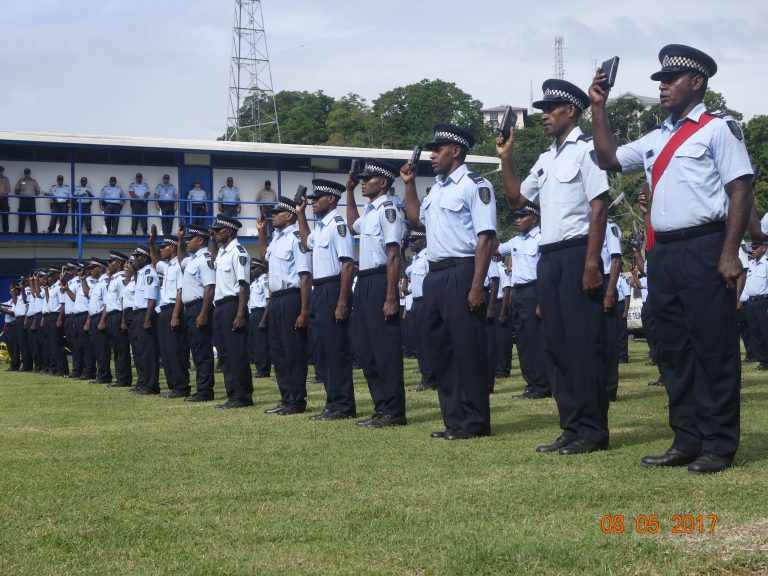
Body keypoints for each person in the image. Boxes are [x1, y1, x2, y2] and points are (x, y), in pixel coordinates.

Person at [589, 44, 761, 473]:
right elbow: (609, 158)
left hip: (706, 246)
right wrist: (598, 107)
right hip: (663, 252)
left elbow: (740, 189)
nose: (662, 87)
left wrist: (729, 254)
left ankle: (719, 444)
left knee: (713, 347)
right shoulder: (656, 137)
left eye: (670, 80)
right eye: (660, 81)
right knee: (673, 349)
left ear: (696, 83)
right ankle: (687, 438)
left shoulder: (719, 128)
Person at [498, 81, 610, 455]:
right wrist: (506, 158)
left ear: (571, 111)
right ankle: (571, 425)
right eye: (542, 108)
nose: (544, 114)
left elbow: (599, 205)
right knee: (557, 346)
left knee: (582, 344)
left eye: (551, 108)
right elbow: (517, 200)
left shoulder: (587, 149)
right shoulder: (547, 157)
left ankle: (593, 431)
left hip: (579, 252)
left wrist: (592, 262)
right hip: (549, 257)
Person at [402, 124, 496, 440]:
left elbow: (485, 237)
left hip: (462, 270)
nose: (432, 155)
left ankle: (475, 421)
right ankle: (453, 420)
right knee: (440, 349)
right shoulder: (438, 189)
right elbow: (417, 220)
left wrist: (476, 285)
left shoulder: (474, 185)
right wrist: (410, 184)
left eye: (437, 149)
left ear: (455, 151)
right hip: (435, 275)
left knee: (467, 349)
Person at [347, 159, 406, 428]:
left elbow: (394, 255)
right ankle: (381, 407)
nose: (362, 181)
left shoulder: (389, 210)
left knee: (385, 350)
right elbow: (352, 226)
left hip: (383, 279)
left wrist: (391, 296)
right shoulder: (370, 211)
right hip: (365, 281)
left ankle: (394, 411)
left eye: (367, 178)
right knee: (366, 348)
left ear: (382, 182)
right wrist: (348, 193)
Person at [296, 179, 357, 420]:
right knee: (322, 350)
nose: (311, 202)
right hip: (320, 289)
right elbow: (306, 242)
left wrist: (342, 301)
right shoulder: (321, 227)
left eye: (316, 199)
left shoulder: (337, 225)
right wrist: (300, 215)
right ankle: (332, 402)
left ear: (330, 199)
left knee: (336, 350)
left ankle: (343, 405)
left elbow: (348, 264)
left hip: (334, 287)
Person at [257, 197, 311, 415]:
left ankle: (297, 400)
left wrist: (304, 311)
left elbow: (305, 276)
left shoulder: (296, 238)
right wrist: (261, 232)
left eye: (276, 213)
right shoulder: (277, 238)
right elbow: (264, 256)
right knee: (278, 351)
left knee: (293, 351)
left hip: (291, 297)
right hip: (277, 299)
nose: (272, 216)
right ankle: (286, 397)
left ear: (289, 215)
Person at [498, 204, 551, 399]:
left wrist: (542, 301)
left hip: (534, 291)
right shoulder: (515, 240)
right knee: (523, 342)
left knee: (536, 340)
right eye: (516, 217)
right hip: (518, 293)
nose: (517, 220)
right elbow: (495, 249)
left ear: (534, 218)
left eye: (522, 216)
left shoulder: (541, 239)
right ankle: (531, 384)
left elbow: (546, 271)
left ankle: (543, 385)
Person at [210, 213, 253, 408]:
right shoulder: (222, 252)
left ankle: (243, 396)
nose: (215, 233)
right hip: (220, 306)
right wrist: (213, 241)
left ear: (228, 231)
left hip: (233, 305)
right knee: (225, 354)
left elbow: (244, 286)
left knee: (237, 353)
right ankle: (232, 394)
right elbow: (214, 261)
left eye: (218, 230)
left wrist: (240, 314)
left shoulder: (239, 252)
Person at [177, 224, 217, 403]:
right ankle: (201, 388)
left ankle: (205, 390)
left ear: (200, 240)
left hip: (199, 307)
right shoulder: (192, 259)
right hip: (190, 309)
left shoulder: (204, 259)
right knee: (196, 350)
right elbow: (181, 260)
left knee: (202, 351)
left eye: (190, 239)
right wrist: (179, 240)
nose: (187, 242)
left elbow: (209, 287)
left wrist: (203, 313)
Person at [152, 234, 190, 398]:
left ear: (173, 248)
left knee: (176, 350)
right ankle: (173, 386)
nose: (160, 250)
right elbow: (155, 261)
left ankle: (181, 386)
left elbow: (180, 291)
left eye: (163, 247)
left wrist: (175, 315)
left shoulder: (179, 266)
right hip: (164, 310)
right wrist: (151, 243)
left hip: (174, 309)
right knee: (166, 351)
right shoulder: (166, 266)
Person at [404, 231, 437, 392]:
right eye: (410, 240)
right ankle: (426, 377)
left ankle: (431, 379)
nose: (411, 242)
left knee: (427, 342)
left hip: (426, 301)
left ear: (424, 240)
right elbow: (405, 272)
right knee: (419, 342)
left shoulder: (427, 258)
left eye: (414, 239)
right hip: (416, 303)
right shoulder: (416, 259)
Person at [130, 244, 161, 395]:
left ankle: (151, 385)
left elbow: (151, 298)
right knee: (140, 351)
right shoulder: (141, 273)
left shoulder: (149, 273)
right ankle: (143, 382)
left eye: (136, 257)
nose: (133, 260)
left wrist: (147, 319)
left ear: (144, 258)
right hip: (138, 313)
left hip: (146, 313)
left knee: (148, 352)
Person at [102, 251, 132, 388]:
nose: (108, 264)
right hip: (111, 316)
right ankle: (120, 376)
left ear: (119, 263)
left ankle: (124, 378)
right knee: (116, 349)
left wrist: (124, 321)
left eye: (111, 262)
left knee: (121, 349)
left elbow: (124, 300)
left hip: (119, 315)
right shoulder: (114, 278)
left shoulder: (120, 279)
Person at [601, 218, 623, 402]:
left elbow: (616, 258)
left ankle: (609, 389)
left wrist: (609, 293)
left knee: (608, 339)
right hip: (588, 280)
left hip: (606, 281)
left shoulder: (609, 225)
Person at [83, 258, 110, 384]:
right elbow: (92, 303)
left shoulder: (104, 282)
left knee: (102, 349)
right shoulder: (97, 283)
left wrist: (102, 320)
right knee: (96, 348)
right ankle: (101, 374)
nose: (90, 270)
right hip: (93, 317)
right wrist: (89, 321)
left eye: (93, 268)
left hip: (100, 317)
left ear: (100, 268)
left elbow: (106, 303)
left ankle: (104, 375)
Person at [247, 259, 271, 378]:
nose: (251, 271)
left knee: (261, 342)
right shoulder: (254, 282)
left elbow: (268, 300)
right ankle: (258, 367)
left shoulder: (265, 280)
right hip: (253, 313)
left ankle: (263, 370)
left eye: (254, 268)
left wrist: (263, 319)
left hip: (261, 312)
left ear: (260, 268)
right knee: (255, 342)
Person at [14, 168, 40, 233]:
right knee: (22, 217)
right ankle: (20, 233)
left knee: (33, 217)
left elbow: (38, 190)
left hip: (31, 200)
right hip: (23, 201)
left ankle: (34, 234)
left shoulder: (34, 181)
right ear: (24, 173)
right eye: (26, 173)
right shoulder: (20, 181)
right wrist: (20, 196)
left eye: (28, 173)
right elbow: (16, 190)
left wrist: (34, 196)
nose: (27, 174)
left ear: (30, 173)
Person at [616, 268, 631, 364]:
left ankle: (623, 356)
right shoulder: (611, 278)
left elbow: (627, 295)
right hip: (613, 306)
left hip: (620, 306)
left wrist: (626, 311)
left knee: (621, 333)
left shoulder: (622, 278)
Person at [0, 166, 11, 233]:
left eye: (1, 171)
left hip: (4, 199)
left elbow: (8, 189)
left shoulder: (6, 179)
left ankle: (5, 232)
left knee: (5, 215)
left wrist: (2, 194)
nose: (0, 172)